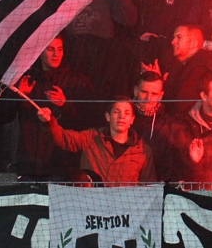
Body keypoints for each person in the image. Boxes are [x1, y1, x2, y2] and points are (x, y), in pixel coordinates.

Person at [13, 34, 95, 179]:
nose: (56, 54)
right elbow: (6, 117)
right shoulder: (27, 77)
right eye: (50, 49)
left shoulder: (76, 80)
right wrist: (19, 96)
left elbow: (87, 119)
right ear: (40, 51)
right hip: (28, 161)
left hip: (60, 164)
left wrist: (65, 104)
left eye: (60, 49)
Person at [38, 98, 156, 185]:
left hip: (123, 213)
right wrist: (49, 122)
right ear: (108, 116)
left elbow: (149, 187)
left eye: (127, 113)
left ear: (132, 119)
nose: (121, 116)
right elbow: (63, 139)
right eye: (116, 111)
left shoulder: (143, 151)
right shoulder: (91, 138)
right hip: (90, 210)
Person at [131, 71, 185, 182]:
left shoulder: (169, 123)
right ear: (135, 91)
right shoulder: (121, 117)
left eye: (154, 94)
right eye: (144, 92)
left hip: (155, 188)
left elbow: (171, 164)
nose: (148, 98)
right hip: (125, 186)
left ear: (161, 96)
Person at [160, 25, 212, 113]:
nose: (173, 42)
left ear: (193, 43)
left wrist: (161, 84)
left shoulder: (200, 68)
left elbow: (179, 106)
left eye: (179, 37)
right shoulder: (190, 64)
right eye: (174, 37)